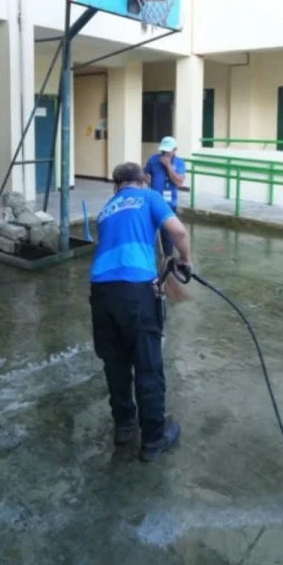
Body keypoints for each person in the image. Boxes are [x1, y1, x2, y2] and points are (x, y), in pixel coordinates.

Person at [90, 161, 194, 462]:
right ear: (143, 181)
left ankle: (124, 426)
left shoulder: (106, 209)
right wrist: (186, 259)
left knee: (115, 361)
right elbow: (178, 232)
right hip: (135, 289)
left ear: (115, 186)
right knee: (148, 364)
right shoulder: (150, 197)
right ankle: (153, 439)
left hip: (101, 290)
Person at [144, 136, 187, 260]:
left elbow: (179, 181)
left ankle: (167, 259)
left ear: (174, 150)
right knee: (150, 228)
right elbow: (146, 173)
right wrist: (147, 179)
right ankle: (149, 255)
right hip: (154, 200)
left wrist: (168, 166)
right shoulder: (153, 160)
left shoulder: (179, 163)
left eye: (168, 151)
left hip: (169, 203)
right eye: (163, 150)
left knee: (168, 232)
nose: (165, 153)